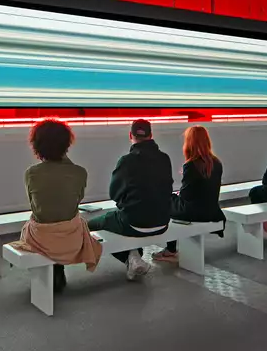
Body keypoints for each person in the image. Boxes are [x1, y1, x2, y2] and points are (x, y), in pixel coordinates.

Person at [13, 120, 102, 293]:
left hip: (41, 238)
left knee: (34, 223)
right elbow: (76, 202)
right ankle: (58, 269)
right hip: (71, 239)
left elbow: (35, 205)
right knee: (73, 220)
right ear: (67, 145)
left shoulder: (31, 173)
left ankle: (53, 271)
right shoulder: (79, 172)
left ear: (36, 146)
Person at [86, 119, 173, 281]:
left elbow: (114, 193)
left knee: (91, 225)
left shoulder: (127, 161)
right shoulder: (165, 158)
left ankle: (130, 257)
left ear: (130, 135)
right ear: (151, 135)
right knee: (125, 219)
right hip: (162, 222)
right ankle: (133, 256)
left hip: (134, 222)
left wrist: (124, 203)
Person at [153, 126, 224, 263]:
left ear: (189, 142)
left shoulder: (191, 165)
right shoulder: (217, 163)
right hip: (212, 211)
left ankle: (171, 250)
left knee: (166, 201)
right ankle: (171, 249)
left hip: (194, 212)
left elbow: (186, 196)